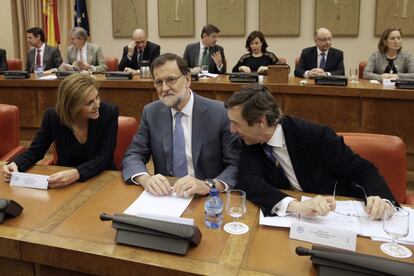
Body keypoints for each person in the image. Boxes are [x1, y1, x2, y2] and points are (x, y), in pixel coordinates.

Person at [225, 84, 397, 219]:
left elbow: (363, 170)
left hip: (335, 215)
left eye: (236, 123)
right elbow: (248, 181)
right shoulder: (249, 140)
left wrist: (382, 200)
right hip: (294, 221)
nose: (232, 130)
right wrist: (294, 206)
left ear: (260, 122)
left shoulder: (314, 135)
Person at [122, 53, 239, 197]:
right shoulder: (151, 112)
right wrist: (145, 179)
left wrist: (209, 185)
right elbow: (133, 155)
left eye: (171, 80)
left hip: (208, 198)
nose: (164, 88)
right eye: (158, 82)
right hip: (167, 197)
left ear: (188, 79)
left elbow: (236, 164)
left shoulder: (219, 113)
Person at [2, 74, 119, 188]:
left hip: (101, 178)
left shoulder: (109, 113)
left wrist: (77, 173)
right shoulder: (53, 117)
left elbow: (105, 157)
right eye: (89, 103)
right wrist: (16, 164)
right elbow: (36, 151)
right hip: (63, 182)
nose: (97, 105)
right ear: (72, 106)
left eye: (97, 97)